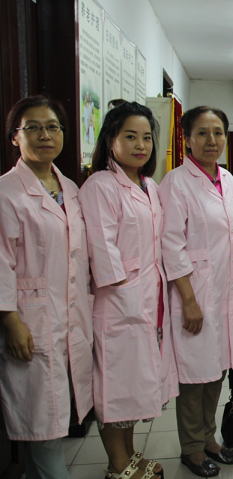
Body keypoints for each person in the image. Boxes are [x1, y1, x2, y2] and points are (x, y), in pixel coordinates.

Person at [79, 101, 177, 479]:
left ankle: (130, 454)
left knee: (135, 383)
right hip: (119, 303)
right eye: (131, 137)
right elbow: (102, 249)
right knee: (116, 385)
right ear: (111, 140)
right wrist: (127, 293)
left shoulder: (149, 185)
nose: (140, 145)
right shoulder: (101, 185)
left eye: (147, 138)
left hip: (149, 297)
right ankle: (117, 464)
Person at [0, 96, 93, 479]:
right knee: (43, 421)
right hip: (30, 320)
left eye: (52, 127)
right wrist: (10, 321)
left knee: (51, 417)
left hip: (68, 315)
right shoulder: (7, 191)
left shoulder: (69, 188)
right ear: (15, 137)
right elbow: (1, 261)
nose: (45, 135)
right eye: (33, 128)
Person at [158, 106, 233, 476]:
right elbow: (171, 245)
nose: (212, 140)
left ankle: (210, 437)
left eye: (218, 133)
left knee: (216, 369)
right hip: (194, 292)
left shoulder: (227, 178)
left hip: (226, 291)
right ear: (187, 138)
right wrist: (189, 300)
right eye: (202, 133)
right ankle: (192, 447)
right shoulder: (175, 182)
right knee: (194, 375)